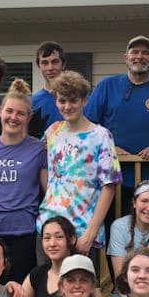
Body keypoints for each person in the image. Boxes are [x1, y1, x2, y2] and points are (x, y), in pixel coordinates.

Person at [84, 35, 149, 203]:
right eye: (135, 52)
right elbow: (88, 125)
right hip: (110, 176)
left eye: (145, 53)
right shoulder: (107, 86)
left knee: (148, 217)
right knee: (112, 219)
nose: (139, 56)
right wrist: (109, 147)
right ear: (126, 57)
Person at [0, 78, 47, 285]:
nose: (14, 117)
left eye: (20, 113)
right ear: (0, 112)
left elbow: (49, 192)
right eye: (9, 111)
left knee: (19, 292)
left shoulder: (39, 149)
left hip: (21, 232)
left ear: (28, 117)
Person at [37, 70, 121, 261]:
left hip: (81, 231)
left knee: (79, 281)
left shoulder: (101, 135)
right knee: (47, 280)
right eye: (62, 101)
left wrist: (90, 233)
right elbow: (43, 166)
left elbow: (109, 186)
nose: (67, 106)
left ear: (84, 100)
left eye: (73, 100)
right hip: (48, 228)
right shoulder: (52, 131)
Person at [30, 40, 66, 130]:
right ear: (39, 66)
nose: (50, 68)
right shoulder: (33, 102)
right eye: (45, 63)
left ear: (63, 64)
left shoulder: (77, 99)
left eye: (55, 62)